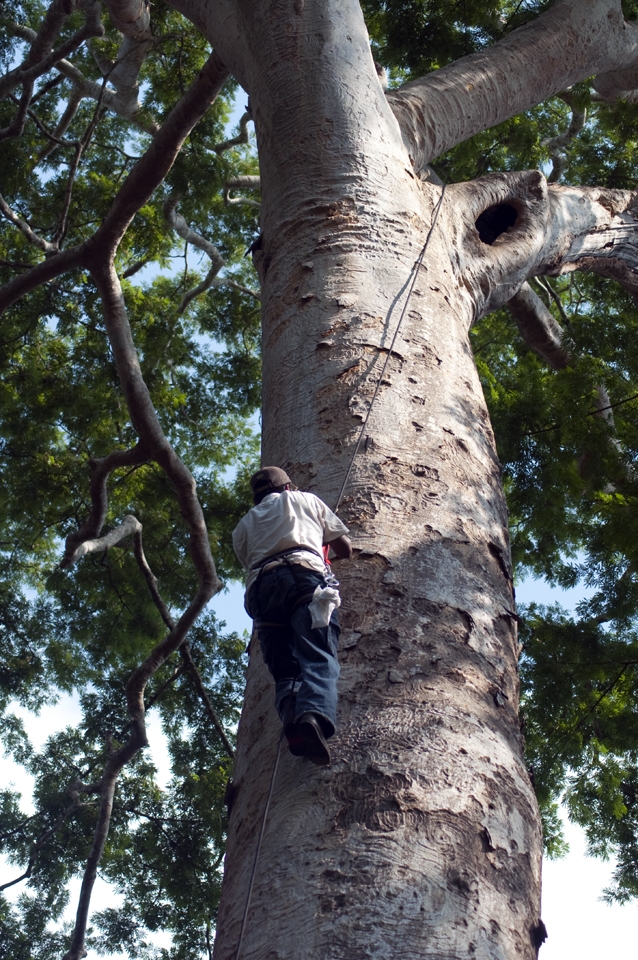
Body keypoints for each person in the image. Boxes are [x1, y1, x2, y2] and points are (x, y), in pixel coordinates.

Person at [232, 467, 352, 766]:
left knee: (285, 669)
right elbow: (344, 549)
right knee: (318, 653)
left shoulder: (243, 526)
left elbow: (251, 559)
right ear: (288, 488)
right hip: (302, 576)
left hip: (260, 590)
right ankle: (313, 715)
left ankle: (291, 718)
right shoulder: (304, 500)